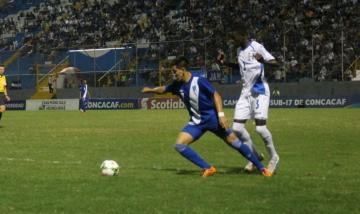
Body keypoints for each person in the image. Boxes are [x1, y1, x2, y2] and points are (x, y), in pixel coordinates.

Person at [142, 56, 272, 177]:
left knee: (235, 143)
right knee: (179, 145)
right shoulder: (177, 84)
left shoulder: (199, 81)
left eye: (175, 71)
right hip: (196, 123)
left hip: (213, 119)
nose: (173, 74)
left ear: (183, 69)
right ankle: (208, 168)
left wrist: (221, 116)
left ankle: (261, 168)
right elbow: (164, 89)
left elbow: (216, 95)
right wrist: (150, 90)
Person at [218, 25, 280, 174]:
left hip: (259, 91)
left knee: (260, 128)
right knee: (237, 129)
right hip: (245, 93)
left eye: (235, 39)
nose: (233, 42)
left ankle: (274, 158)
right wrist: (225, 63)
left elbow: (276, 63)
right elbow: (240, 66)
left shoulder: (257, 46)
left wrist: (262, 60)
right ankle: (255, 157)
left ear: (243, 36)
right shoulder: (239, 51)